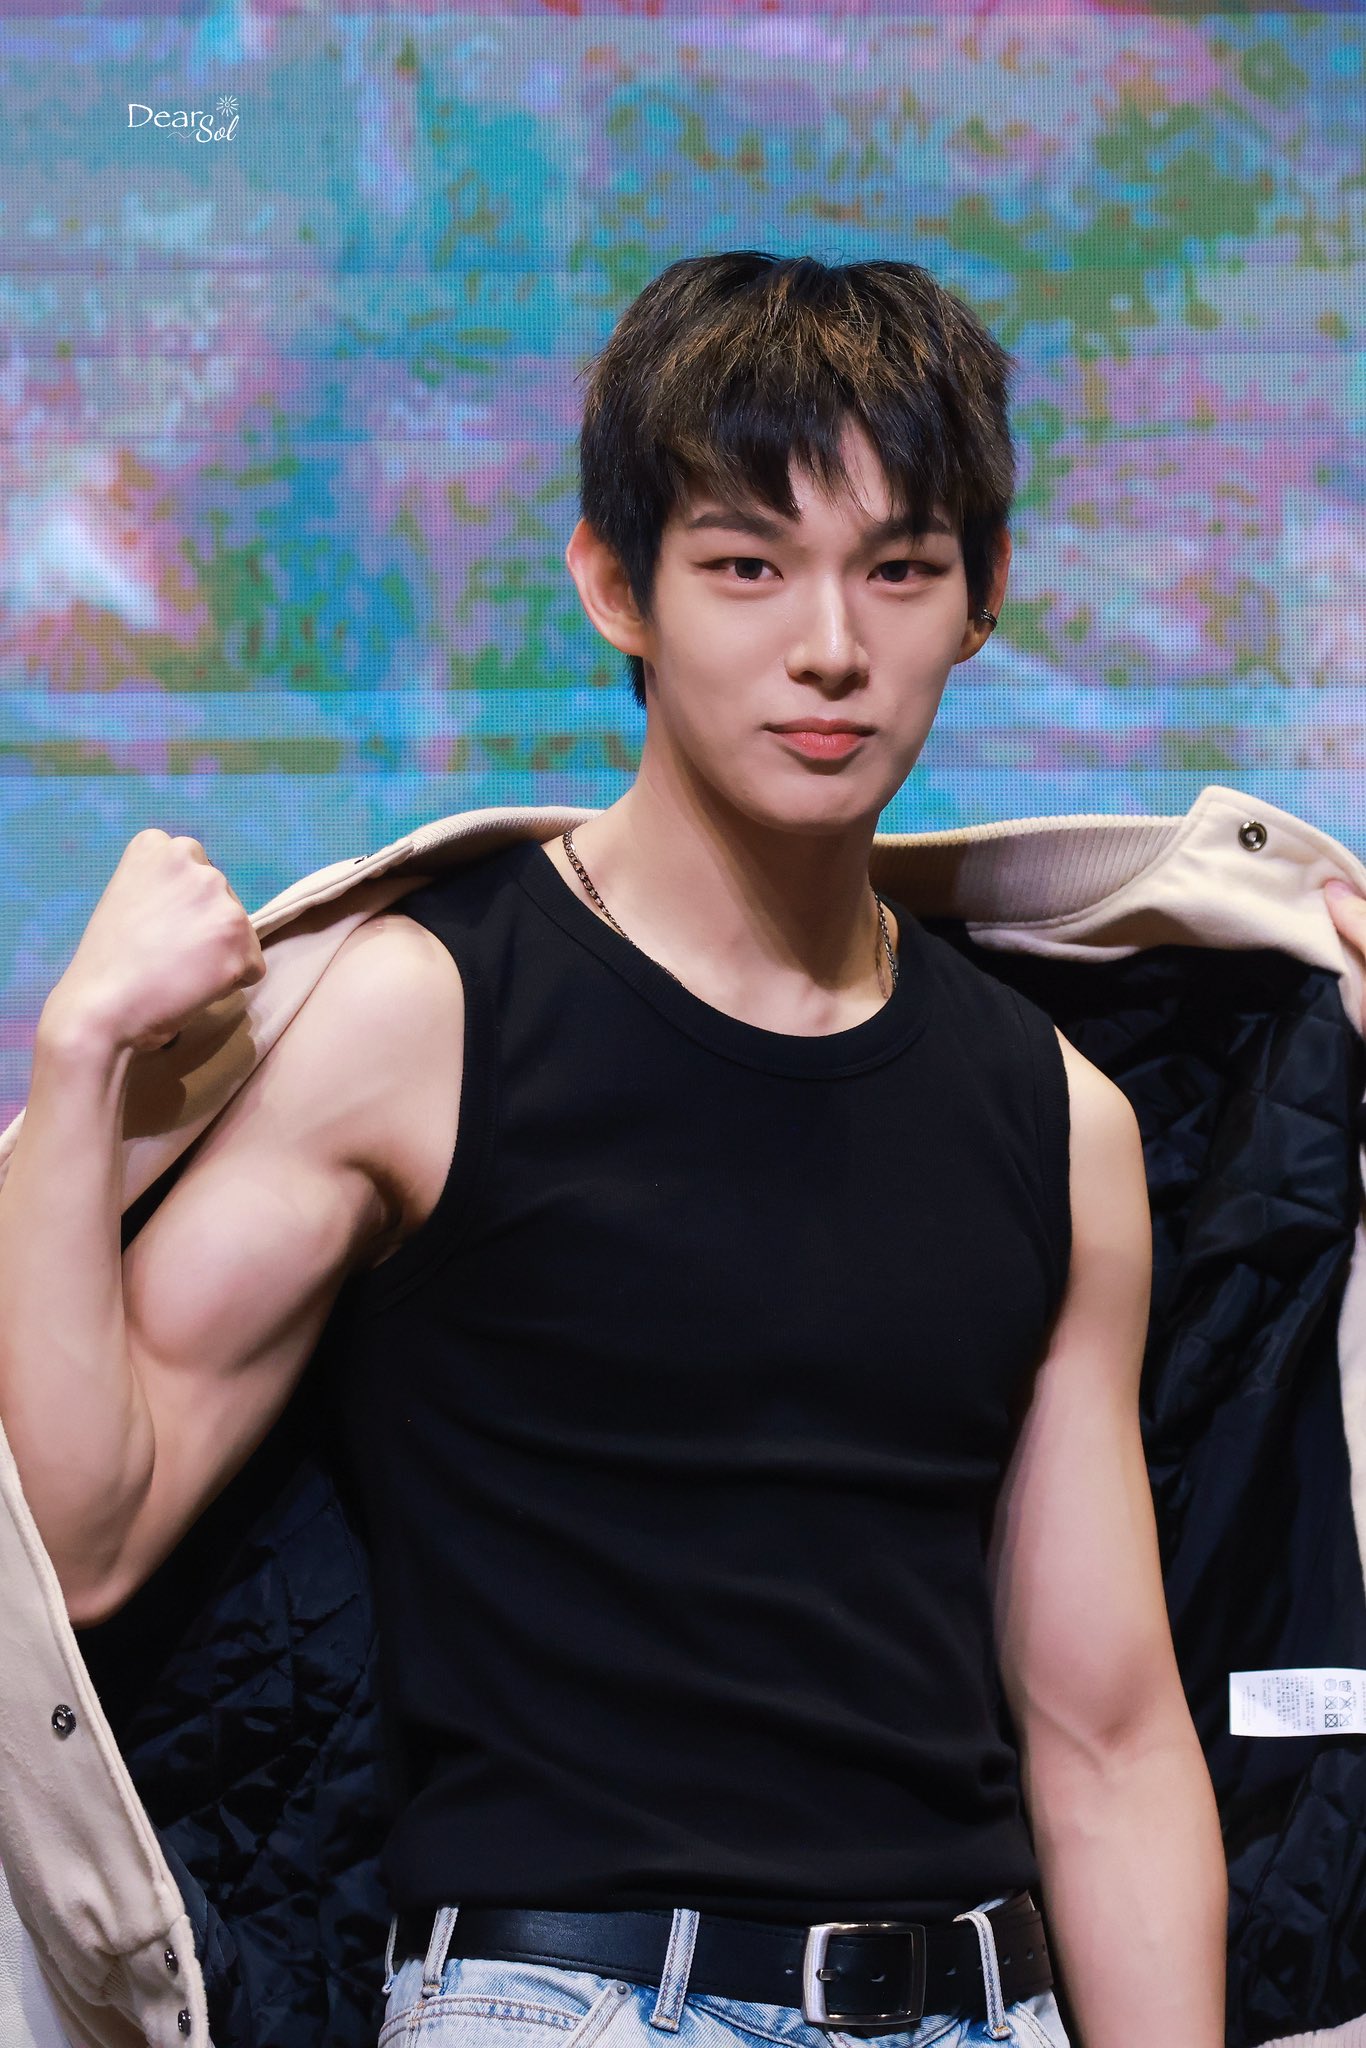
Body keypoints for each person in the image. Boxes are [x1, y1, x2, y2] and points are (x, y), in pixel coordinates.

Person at [0, 252, 1228, 2048]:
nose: (830, 644)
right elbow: (85, 1533)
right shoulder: (432, 1017)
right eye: (746, 565)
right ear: (611, 584)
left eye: (898, 569)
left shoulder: (1058, 1119)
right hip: (564, 1998)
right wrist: (80, 1060)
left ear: (982, 598)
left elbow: (1106, 1741)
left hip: (983, 2000)